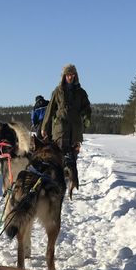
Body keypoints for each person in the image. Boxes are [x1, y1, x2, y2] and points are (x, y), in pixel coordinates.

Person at [41, 64, 91, 192]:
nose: (70, 77)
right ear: (64, 76)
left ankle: (71, 181)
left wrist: (87, 117)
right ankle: (59, 181)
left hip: (75, 130)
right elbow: (50, 109)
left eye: (72, 75)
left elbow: (86, 107)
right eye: (68, 75)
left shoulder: (81, 92)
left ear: (75, 76)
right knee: (60, 156)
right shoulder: (57, 91)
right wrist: (44, 127)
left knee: (73, 157)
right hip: (60, 129)